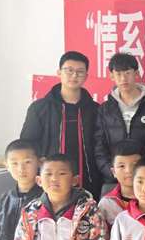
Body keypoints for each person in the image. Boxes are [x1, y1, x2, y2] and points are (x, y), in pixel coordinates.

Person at [20, 51, 101, 198]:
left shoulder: (95, 109)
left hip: (88, 178)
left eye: (80, 72)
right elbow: (28, 143)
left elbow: (100, 143)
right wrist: (40, 161)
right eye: (69, 70)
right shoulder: (40, 108)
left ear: (86, 76)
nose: (74, 75)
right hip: (51, 180)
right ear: (59, 73)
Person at [94, 52, 145, 192]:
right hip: (114, 179)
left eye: (128, 73)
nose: (123, 79)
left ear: (136, 74)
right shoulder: (105, 109)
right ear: (111, 76)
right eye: (118, 74)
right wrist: (112, 172)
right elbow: (99, 146)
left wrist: (143, 171)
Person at [97, 140, 142, 227]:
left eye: (135, 165)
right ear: (113, 172)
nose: (129, 170)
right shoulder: (106, 204)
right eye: (122, 166)